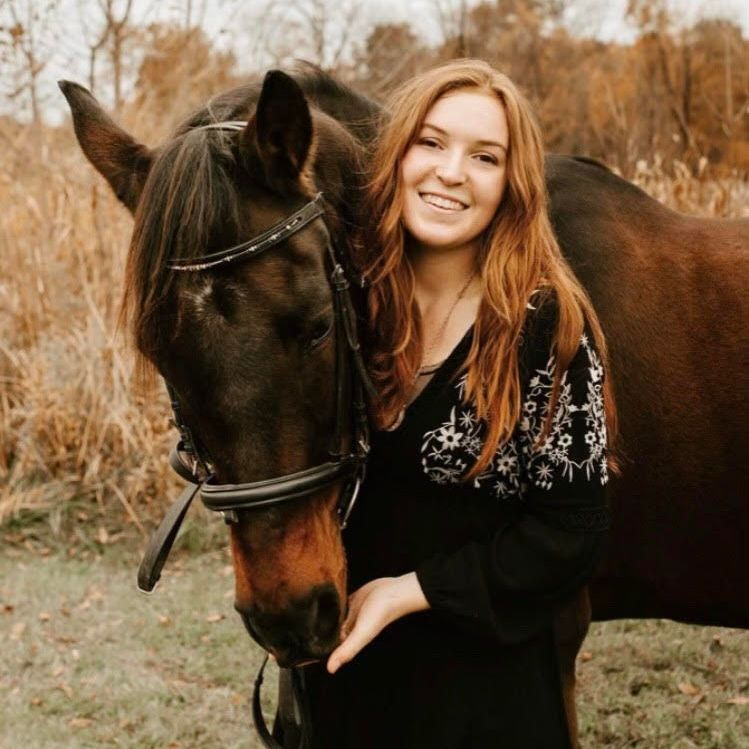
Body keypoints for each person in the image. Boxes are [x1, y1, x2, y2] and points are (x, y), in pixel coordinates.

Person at [301, 58, 617, 749]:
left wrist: (405, 590)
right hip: (345, 681)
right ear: (397, 155)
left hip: (482, 698)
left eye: (484, 157)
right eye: (431, 142)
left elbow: (571, 535)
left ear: (511, 185)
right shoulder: (346, 306)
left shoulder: (548, 326)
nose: (450, 172)